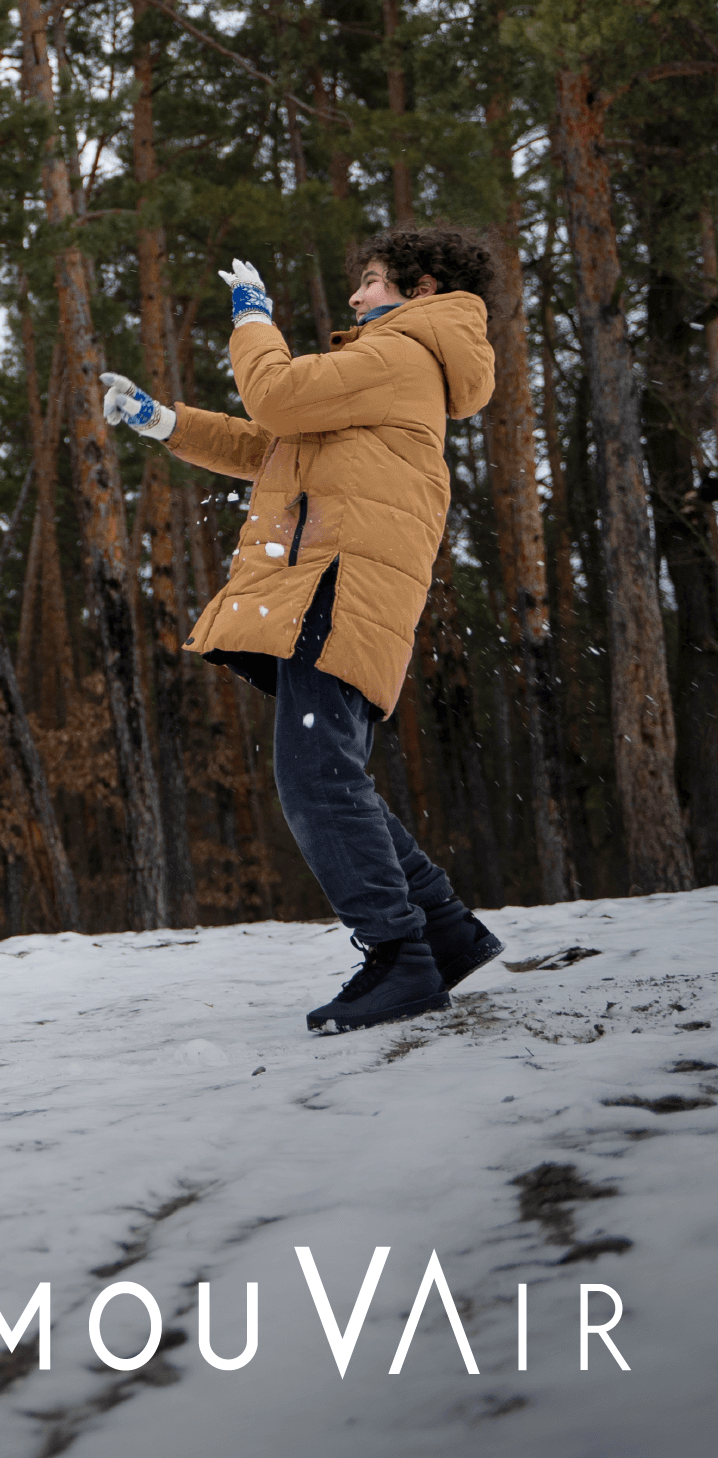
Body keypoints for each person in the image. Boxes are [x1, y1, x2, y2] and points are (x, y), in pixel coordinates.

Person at [100, 224, 506, 1034]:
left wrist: (251, 319)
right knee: (331, 773)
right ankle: (443, 932)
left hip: (338, 583)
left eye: (370, 281)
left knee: (315, 780)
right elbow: (275, 442)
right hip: (335, 583)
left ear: (421, 288)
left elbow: (276, 395)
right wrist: (163, 422)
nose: (355, 297)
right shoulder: (398, 362)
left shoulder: (399, 354)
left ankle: (400, 958)